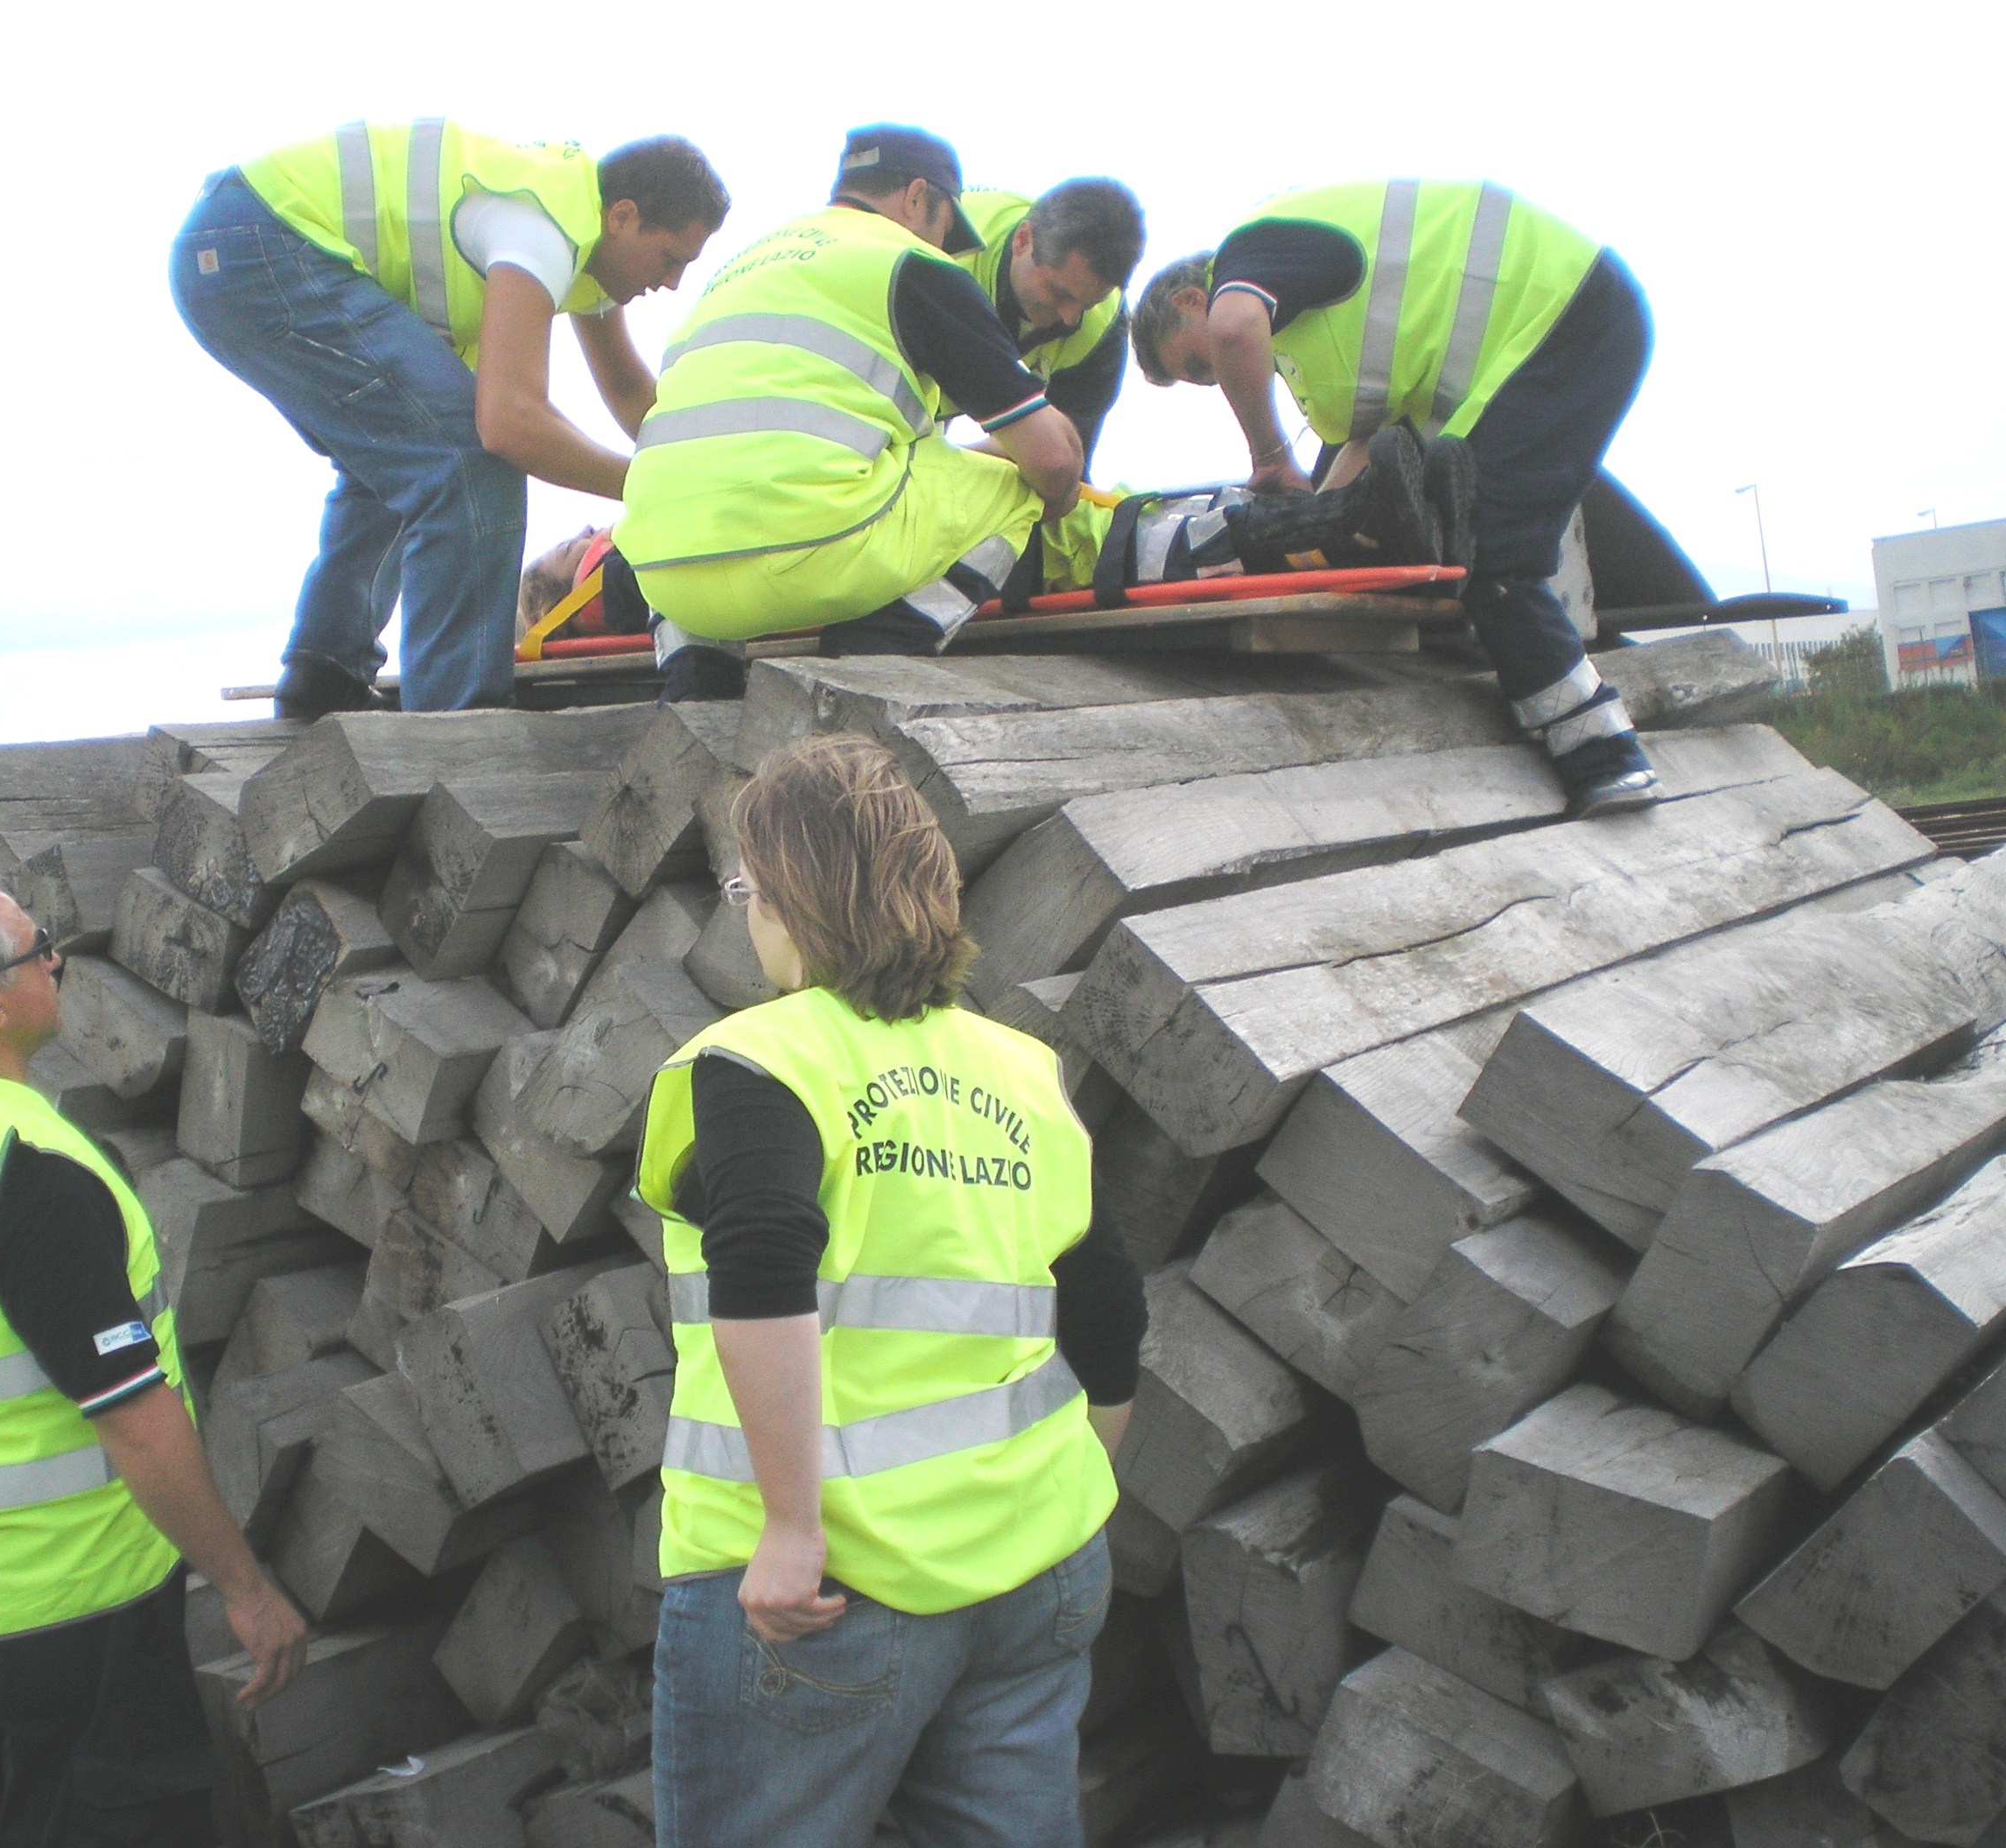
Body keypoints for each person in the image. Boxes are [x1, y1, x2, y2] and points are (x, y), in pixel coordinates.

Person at [637, 736, 1149, 1848]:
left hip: (823, 1594)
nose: (747, 916)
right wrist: (1071, 1479)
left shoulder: (762, 1061)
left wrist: (789, 1526)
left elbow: (762, 1274)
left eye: (745, 892)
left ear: (786, 899)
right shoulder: (1017, 1068)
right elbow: (1107, 1299)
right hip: (1035, 1570)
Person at [0, 867, 309, 1847]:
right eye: (37, 945)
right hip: (78, 1621)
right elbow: (134, 1420)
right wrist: (246, 1590)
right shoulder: (26, 1172)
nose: (57, 958)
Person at [1132, 180, 1661, 816]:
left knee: (1492, 551)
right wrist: (1311, 533)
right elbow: (1371, 449)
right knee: (1458, 542)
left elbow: (1233, 328)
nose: (1215, 378)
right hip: (1552, 326)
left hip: (1568, 313)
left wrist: (1270, 456)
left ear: (1192, 298)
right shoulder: (1318, 337)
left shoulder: (1252, 255)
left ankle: (1607, 759)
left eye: (1198, 365)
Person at [173, 120, 731, 718]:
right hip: (255, 242)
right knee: (468, 460)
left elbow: (628, 393)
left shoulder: (583, 251)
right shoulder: (544, 227)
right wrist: (648, 487)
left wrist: (711, 477)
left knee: (411, 452)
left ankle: (324, 677)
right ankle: (460, 715)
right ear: (622, 216)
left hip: (242, 242)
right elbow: (509, 423)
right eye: (670, 258)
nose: (672, 283)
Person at [614, 124, 1098, 698]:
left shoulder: (738, 267)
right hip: (807, 561)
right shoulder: (911, 263)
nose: (944, 246)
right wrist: (1058, 492)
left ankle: (698, 688)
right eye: (945, 228)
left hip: (665, 576)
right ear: (917, 198)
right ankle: (869, 663)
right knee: (1016, 487)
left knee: (700, 491)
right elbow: (1053, 460)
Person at [947, 178, 1146, 467]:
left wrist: (949, 464)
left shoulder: (1106, 326)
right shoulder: (940, 240)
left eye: (1087, 305)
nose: (1070, 318)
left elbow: (1058, 461)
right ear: (1023, 240)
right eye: (1060, 293)